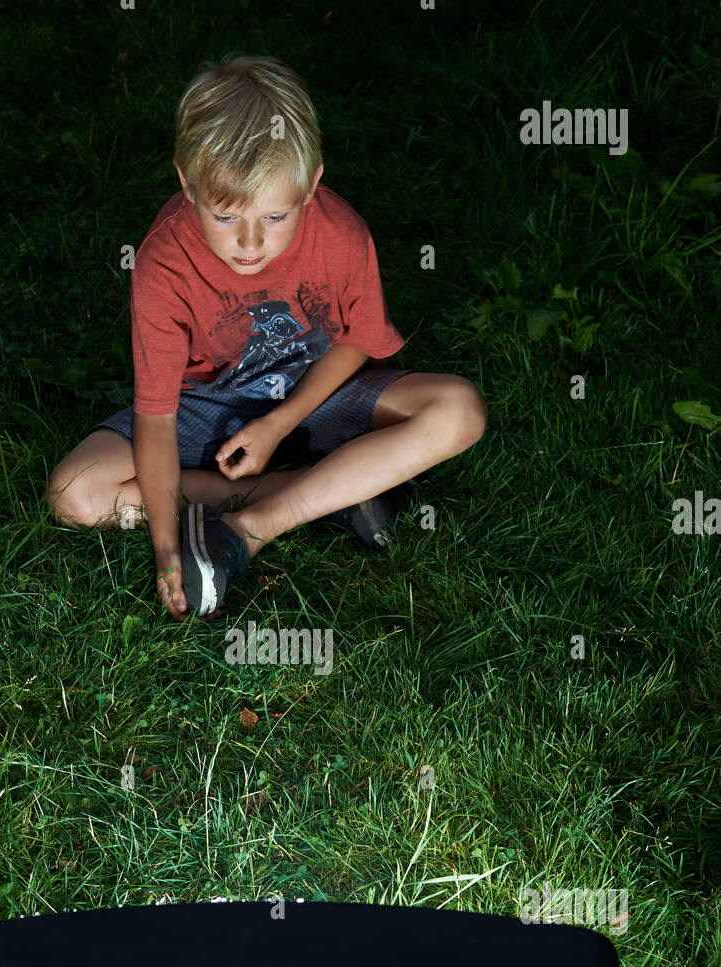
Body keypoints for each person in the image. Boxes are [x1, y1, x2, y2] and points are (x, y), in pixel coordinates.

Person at [46, 53, 487, 621]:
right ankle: (328, 492)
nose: (250, 243)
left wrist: (278, 423)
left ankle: (253, 526)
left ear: (311, 185)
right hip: (204, 408)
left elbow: (358, 341)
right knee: (73, 492)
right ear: (187, 181)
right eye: (226, 217)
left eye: (275, 218)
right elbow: (156, 417)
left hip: (314, 395)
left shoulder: (342, 233)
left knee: (459, 410)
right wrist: (164, 549)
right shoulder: (162, 263)